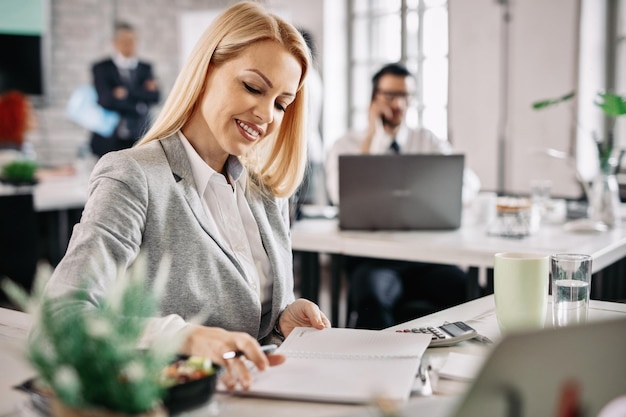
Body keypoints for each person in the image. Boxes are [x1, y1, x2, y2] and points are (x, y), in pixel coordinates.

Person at [43, 2, 330, 391]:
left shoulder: (265, 191)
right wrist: (187, 337)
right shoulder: (133, 176)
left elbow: (249, 314)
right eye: (252, 87)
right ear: (206, 70)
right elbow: (60, 318)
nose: (266, 114)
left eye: (281, 103)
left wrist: (282, 318)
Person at [326, 62, 481, 329]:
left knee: (474, 297)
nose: (398, 104)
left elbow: (468, 183)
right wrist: (372, 140)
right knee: (371, 301)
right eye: (390, 95)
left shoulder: (427, 141)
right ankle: (381, 369)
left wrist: (440, 195)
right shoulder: (347, 144)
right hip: (373, 259)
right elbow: (341, 196)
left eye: (405, 96)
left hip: (426, 257)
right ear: (374, 98)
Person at [89, 21, 160, 157]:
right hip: (110, 139)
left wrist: (125, 92)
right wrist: (139, 98)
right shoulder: (102, 68)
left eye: (132, 40)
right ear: (115, 42)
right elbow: (105, 100)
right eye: (124, 40)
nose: (129, 44)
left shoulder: (146, 68)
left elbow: (155, 97)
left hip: (139, 135)